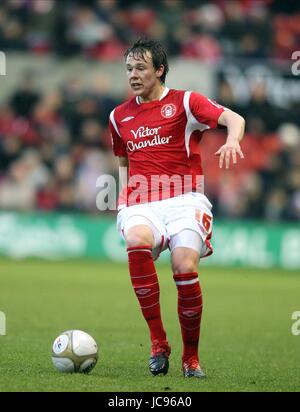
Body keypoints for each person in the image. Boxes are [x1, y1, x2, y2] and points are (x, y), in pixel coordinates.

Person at [109, 38, 245, 378]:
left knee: (184, 267)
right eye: (129, 69)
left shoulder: (185, 102)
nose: (133, 75)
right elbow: (123, 159)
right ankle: (158, 342)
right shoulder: (118, 116)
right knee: (137, 240)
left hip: (185, 199)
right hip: (142, 200)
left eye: (141, 68)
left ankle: (191, 358)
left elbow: (234, 118)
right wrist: (125, 193)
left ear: (160, 70)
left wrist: (231, 140)